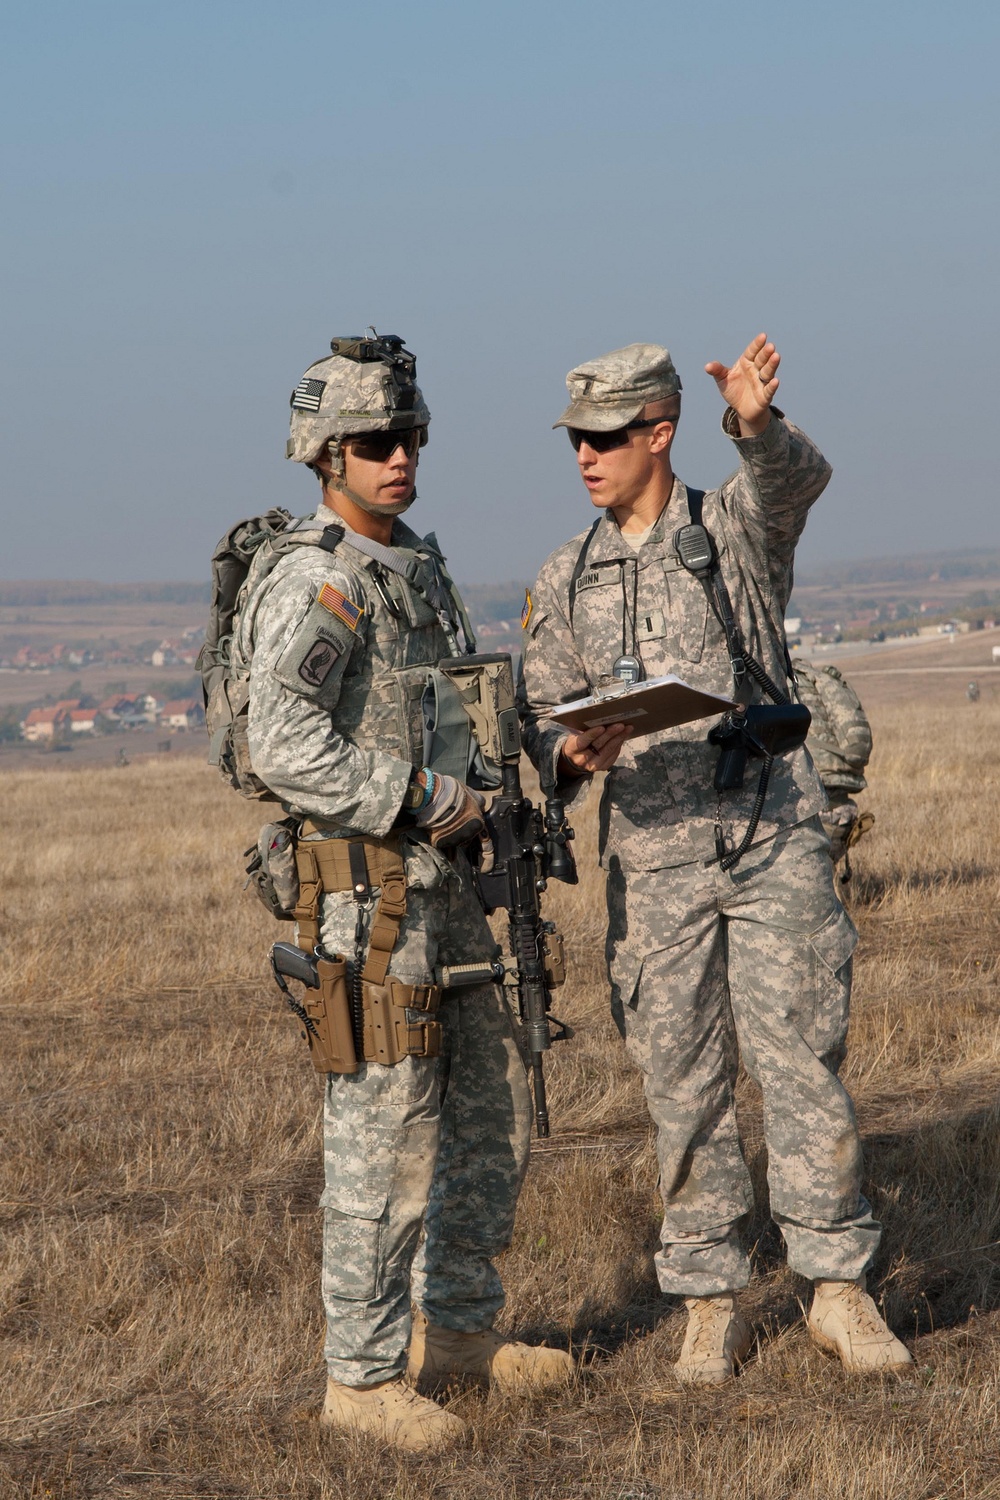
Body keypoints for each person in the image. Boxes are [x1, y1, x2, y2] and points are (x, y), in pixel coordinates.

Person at [518, 336, 913, 1383]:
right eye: (576, 441)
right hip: (653, 858)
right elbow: (539, 720)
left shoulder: (731, 527)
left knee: (799, 1066)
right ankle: (708, 1299)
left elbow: (796, 483)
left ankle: (836, 1289)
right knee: (682, 1086)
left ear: (659, 433)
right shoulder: (564, 577)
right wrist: (568, 750)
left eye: (606, 437)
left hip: (771, 834)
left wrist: (754, 422)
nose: (586, 457)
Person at [240, 334, 572, 1453]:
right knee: (384, 1143)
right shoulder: (319, 579)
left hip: (453, 889)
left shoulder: (411, 565)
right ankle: (363, 1377)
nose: (400, 457)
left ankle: (462, 1336)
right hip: (369, 897)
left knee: (487, 1121)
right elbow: (281, 741)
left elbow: (458, 705)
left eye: (411, 436)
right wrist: (424, 798)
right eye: (377, 441)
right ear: (324, 455)